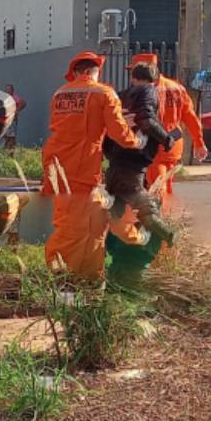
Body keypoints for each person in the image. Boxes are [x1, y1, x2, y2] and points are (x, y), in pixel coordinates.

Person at [40, 51, 140, 280]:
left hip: (58, 166)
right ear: (90, 72)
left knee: (92, 227)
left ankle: (89, 282)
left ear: (75, 72)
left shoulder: (60, 93)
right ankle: (65, 282)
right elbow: (118, 133)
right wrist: (137, 140)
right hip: (81, 169)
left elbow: (67, 127)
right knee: (75, 231)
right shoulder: (104, 93)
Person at [103, 63, 178, 245]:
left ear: (133, 78)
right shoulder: (147, 92)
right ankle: (171, 237)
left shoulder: (120, 96)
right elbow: (146, 119)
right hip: (133, 163)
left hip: (115, 163)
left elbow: (110, 126)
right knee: (147, 209)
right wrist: (166, 139)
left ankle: (110, 251)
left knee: (114, 213)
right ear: (154, 80)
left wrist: (109, 151)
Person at [129, 54, 208, 209]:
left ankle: (162, 220)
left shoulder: (148, 93)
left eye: (135, 75)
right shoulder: (177, 88)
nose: (132, 80)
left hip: (156, 146)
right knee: (166, 183)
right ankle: (170, 216)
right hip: (174, 145)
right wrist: (199, 142)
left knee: (158, 187)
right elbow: (190, 118)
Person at [3, 84, 26, 150]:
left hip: (12, 120)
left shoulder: (14, 97)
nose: (7, 91)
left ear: (12, 91)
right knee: (5, 136)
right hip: (5, 119)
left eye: (9, 90)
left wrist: (17, 110)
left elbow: (23, 103)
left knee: (12, 137)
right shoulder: (4, 97)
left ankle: (11, 152)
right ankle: (6, 151)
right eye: (6, 90)